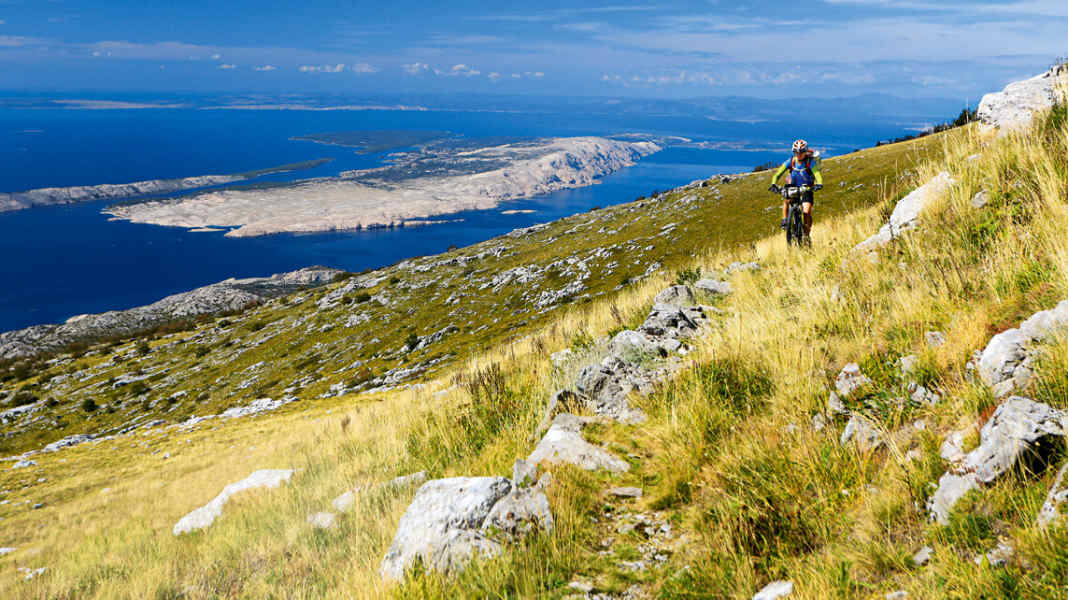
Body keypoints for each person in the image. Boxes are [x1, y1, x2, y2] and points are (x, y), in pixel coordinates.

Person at [767, 139, 823, 236]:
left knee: (807, 211)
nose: (798, 154)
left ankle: (806, 235)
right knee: (786, 200)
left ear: (805, 152)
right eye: (796, 152)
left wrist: (819, 184)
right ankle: (785, 220)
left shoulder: (810, 163)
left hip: (807, 188)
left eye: (801, 152)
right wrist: (773, 184)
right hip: (793, 186)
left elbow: (817, 175)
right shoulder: (791, 161)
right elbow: (778, 174)